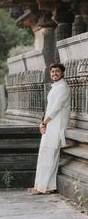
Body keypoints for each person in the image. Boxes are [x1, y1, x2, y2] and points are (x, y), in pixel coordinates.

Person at [28, 63, 70, 195]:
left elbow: (57, 107)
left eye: (57, 71)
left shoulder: (63, 87)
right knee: (44, 155)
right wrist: (44, 123)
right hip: (49, 125)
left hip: (56, 126)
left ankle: (44, 187)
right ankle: (42, 186)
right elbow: (50, 108)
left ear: (63, 73)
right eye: (52, 72)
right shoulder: (55, 87)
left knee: (50, 156)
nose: (54, 74)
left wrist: (44, 122)